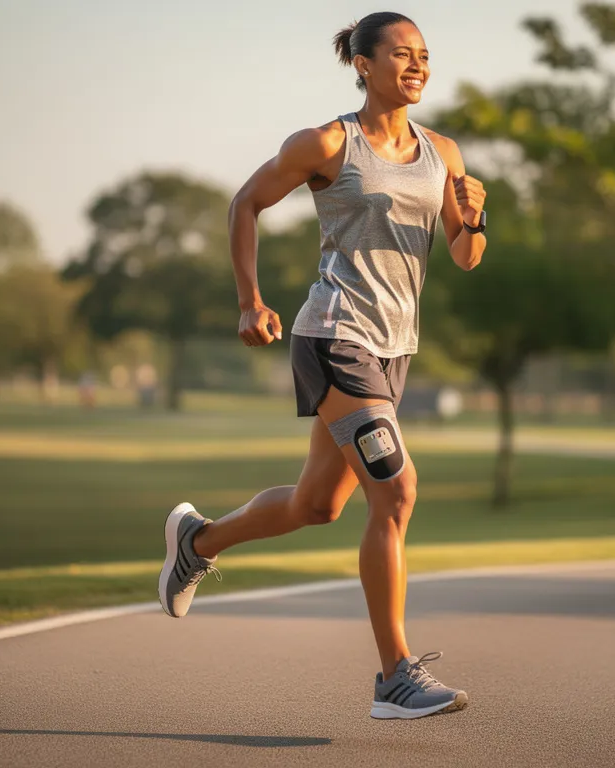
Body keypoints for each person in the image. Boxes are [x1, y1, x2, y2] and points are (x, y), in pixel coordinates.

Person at [157, 11, 487, 720]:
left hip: (394, 350)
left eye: (425, 56)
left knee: (319, 505)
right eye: (401, 54)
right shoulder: (328, 143)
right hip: (335, 337)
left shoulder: (445, 154)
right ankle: (395, 675)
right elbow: (247, 201)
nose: (417, 65)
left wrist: (475, 217)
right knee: (395, 494)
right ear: (362, 65)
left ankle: (197, 541)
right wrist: (250, 300)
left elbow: (463, 256)